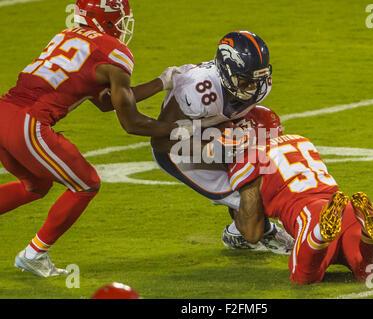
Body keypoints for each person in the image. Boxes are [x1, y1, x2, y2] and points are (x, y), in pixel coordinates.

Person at [0, 0, 179, 277]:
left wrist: (161, 83)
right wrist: (177, 130)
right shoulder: (114, 52)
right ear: (105, 20)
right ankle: (34, 254)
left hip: (5, 112)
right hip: (29, 122)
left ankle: (34, 254)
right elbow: (130, 122)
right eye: (120, 20)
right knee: (86, 184)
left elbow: (107, 103)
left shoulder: (65, 35)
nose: (122, 27)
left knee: (35, 185)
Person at [148, 30, 294, 254]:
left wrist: (242, 135)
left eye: (258, 79)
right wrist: (209, 149)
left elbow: (237, 115)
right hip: (180, 149)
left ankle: (244, 227)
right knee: (251, 202)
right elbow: (161, 141)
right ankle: (253, 233)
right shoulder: (198, 89)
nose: (253, 87)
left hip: (218, 133)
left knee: (266, 135)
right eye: (245, 81)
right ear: (226, 71)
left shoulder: (259, 85)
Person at [227, 105, 373, 285]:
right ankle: (369, 236)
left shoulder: (249, 158)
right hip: (345, 211)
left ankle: (320, 232)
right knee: (372, 275)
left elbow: (252, 233)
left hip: (310, 214)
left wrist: (236, 211)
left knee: (302, 276)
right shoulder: (300, 140)